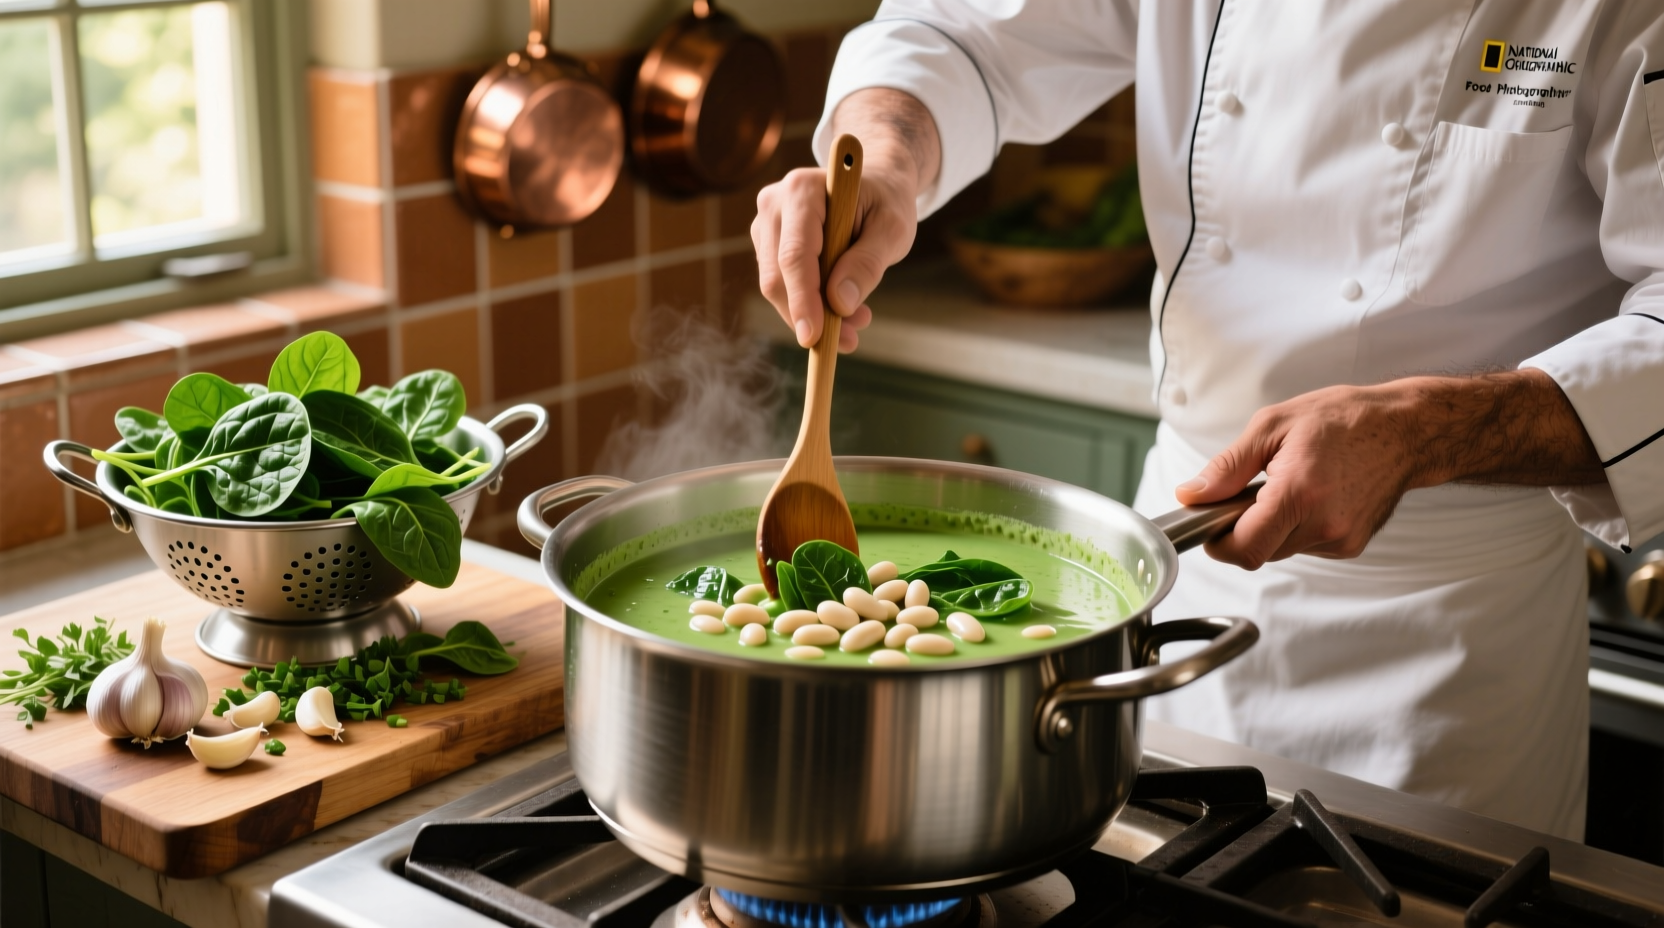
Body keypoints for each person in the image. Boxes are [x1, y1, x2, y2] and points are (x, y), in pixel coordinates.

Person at [749, 0, 1664, 841]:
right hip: (1179, 586)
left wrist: (1424, 428)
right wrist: (890, 156)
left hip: (1455, 658)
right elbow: (964, 32)